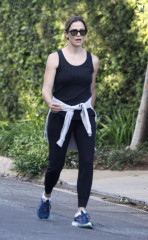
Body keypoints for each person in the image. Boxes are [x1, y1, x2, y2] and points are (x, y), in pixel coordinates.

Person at [37, 16, 99, 229]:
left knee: (87, 161)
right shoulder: (55, 58)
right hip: (60, 114)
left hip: (83, 116)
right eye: (74, 31)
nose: (79, 35)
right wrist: (49, 103)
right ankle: (46, 196)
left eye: (82, 31)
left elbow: (92, 89)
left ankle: (81, 212)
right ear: (66, 34)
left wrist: (89, 109)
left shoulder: (93, 60)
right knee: (56, 164)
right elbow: (46, 88)